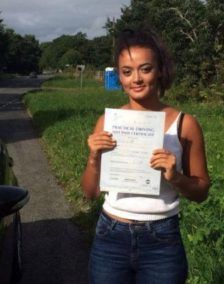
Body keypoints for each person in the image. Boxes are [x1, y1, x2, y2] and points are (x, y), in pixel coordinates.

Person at [81, 28, 210, 284]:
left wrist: (175, 177)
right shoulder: (108, 122)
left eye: (145, 69)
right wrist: (94, 158)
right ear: (119, 76)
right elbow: (90, 193)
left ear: (160, 70)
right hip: (110, 235)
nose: (136, 79)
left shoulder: (185, 124)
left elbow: (201, 192)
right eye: (127, 72)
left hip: (162, 239)